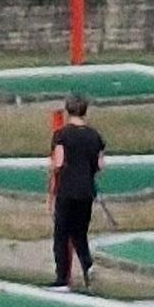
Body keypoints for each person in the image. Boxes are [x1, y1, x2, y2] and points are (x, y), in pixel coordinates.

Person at [49, 92, 104, 291]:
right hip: (86, 191)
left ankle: (62, 278)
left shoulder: (62, 135)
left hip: (67, 190)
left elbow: (59, 162)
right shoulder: (95, 136)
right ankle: (87, 264)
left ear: (67, 109)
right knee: (80, 233)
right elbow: (99, 164)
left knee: (62, 234)